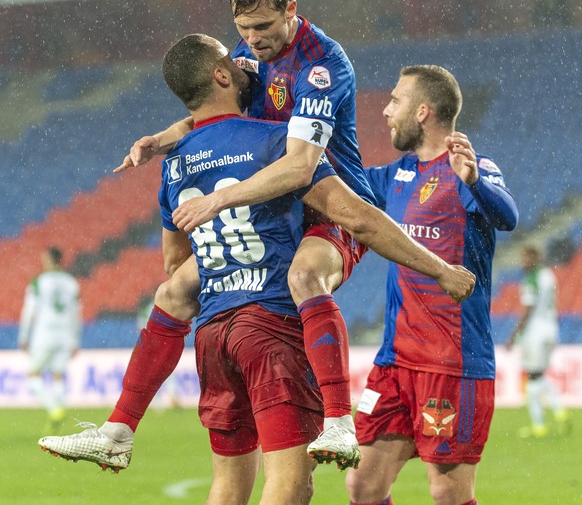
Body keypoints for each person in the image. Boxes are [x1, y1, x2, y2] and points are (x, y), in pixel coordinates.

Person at [39, 36, 475, 491]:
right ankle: (338, 419)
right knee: (289, 487)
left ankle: (120, 427)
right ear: (222, 76)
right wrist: (440, 269)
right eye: (231, 57)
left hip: (211, 334)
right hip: (270, 327)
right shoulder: (276, 144)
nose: (244, 56)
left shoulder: (174, 165)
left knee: (227, 487)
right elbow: (357, 218)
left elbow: (174, 263)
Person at [112, 0, 381, 468]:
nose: (252, 40)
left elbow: (302, 167)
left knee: (304, 277)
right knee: (174, 289)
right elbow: (219, 109)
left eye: (262, 26)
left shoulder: (322, 63)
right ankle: (118, 429)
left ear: (291, 9)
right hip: (278, 212)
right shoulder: (247, 54)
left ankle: (340, 422)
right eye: (242, 27)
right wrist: (162, 139)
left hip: (332, 208)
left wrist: (220, 199)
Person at [344, 65, 519, 505]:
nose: (386, 111)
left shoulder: (470, 168)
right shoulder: (394, 175)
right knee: (363, 485)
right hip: (395, 361)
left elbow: (508, 218)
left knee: (447, 493)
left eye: (395, 101)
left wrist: (474, 180)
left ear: (422, 112)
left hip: (452, 362)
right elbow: (339, 186)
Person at [506, 244, 569, 438]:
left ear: (534, 258)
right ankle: (559, 410)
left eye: (525, 258)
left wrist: (514, 335)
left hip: (535, 332)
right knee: (539, 374)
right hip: (550, 329)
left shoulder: (532, 278)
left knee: (532, 377)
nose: (522, 262)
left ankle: (539, 425)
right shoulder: (549, 275)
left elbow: (528, 309)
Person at [18, 246, 81, 433]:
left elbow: (29, 311)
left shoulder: (39, 282)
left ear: (49, 260)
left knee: (33, 375)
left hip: (44, 334)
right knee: (57, 375)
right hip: (65, 335)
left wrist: (23, 335)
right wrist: (75, 339)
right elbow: (76, 313)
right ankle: (59, 414)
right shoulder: (71, 283)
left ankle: (55, 410)